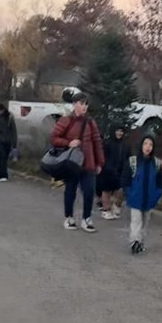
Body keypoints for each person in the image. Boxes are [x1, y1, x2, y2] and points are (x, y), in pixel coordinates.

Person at [50, 93, 104, 232]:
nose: (84, 106)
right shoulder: (65, 120)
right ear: (74, 104)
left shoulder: (91, 123)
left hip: (89, 163)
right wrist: (69, 143)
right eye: (81, 103)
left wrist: (99, 162)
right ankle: (69, 217)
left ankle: (87, 218)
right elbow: (54, 138)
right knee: (70, 191)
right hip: (72, 163)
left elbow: (97, 142)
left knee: (89, 192)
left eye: (86, 103)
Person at [123, 133, 162, 253]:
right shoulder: (133, 162)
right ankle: (134, 241)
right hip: (135, 198)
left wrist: (157, 194)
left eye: (151, 144)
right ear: (141, 145)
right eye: (145, 144)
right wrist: (129, 193)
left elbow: (161, 181)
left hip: (149, 199)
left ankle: (140, 241)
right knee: (136, 221)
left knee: (145, 222)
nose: (148, 147)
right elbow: (125, 179)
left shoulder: (156, 164)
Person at [98, 124, 128, 219]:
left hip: (121, 171)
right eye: (117, 131)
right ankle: (105, 210)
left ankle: (116, 206)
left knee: (120, 190)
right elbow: (101, 156)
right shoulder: (106, 143)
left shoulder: (125, 144)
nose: (119, 133)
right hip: (107, 170)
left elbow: (129, 157)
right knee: (106, 190)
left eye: (121, 131)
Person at [0, 103, 18, 182]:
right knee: (2, 156)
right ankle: (4, 175)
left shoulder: (9, 117)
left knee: (4, 158)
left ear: (2, 110)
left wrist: (14, 144)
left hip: (7, 140)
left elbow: (13, 131)